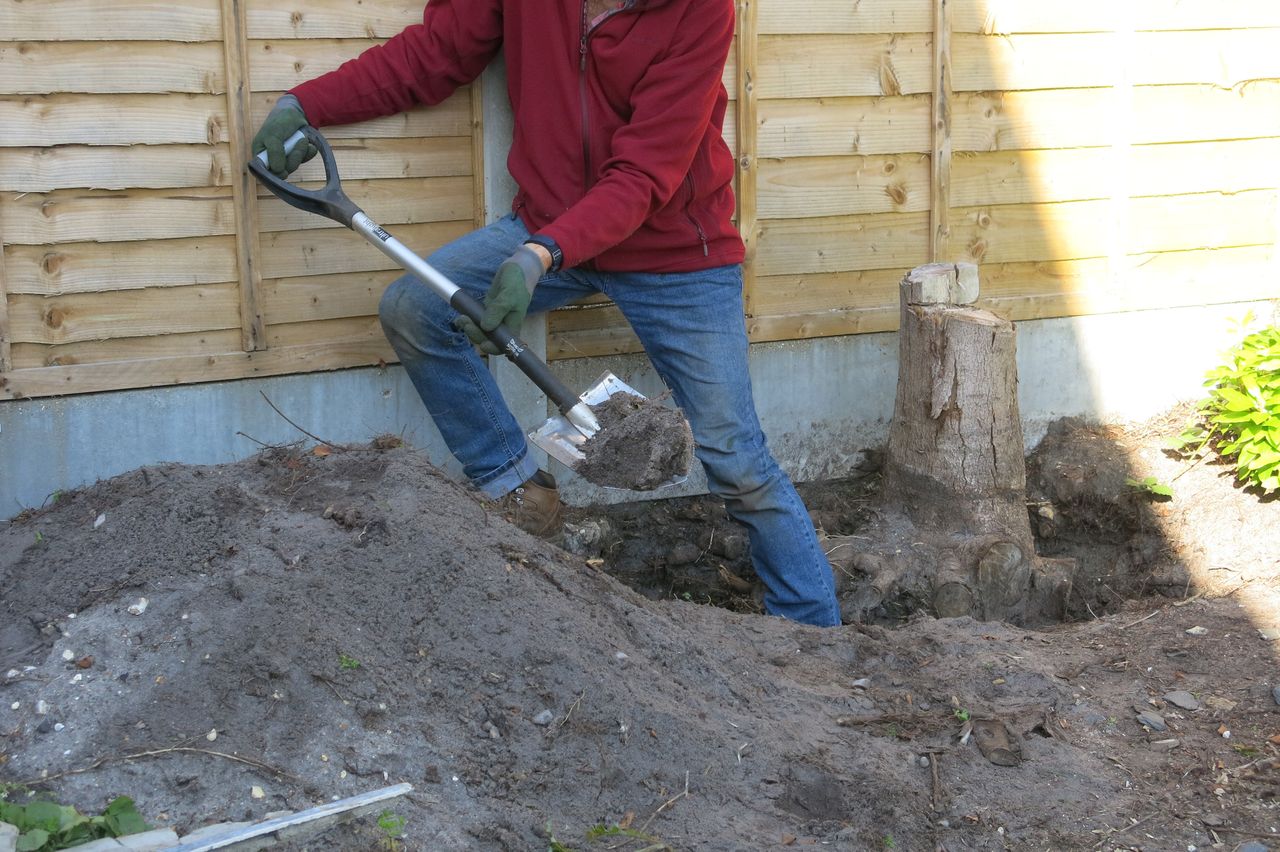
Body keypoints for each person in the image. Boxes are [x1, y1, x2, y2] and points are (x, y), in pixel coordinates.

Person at [252, 0, 841, 627]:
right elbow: (436, 53)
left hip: (672, 248)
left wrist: (541, 255)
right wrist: (307, 104)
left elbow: (645, 172)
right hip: (547, 224)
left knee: (736, 458)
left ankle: (813, 631)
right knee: (417, 307)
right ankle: (517, 487)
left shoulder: (701, 10)